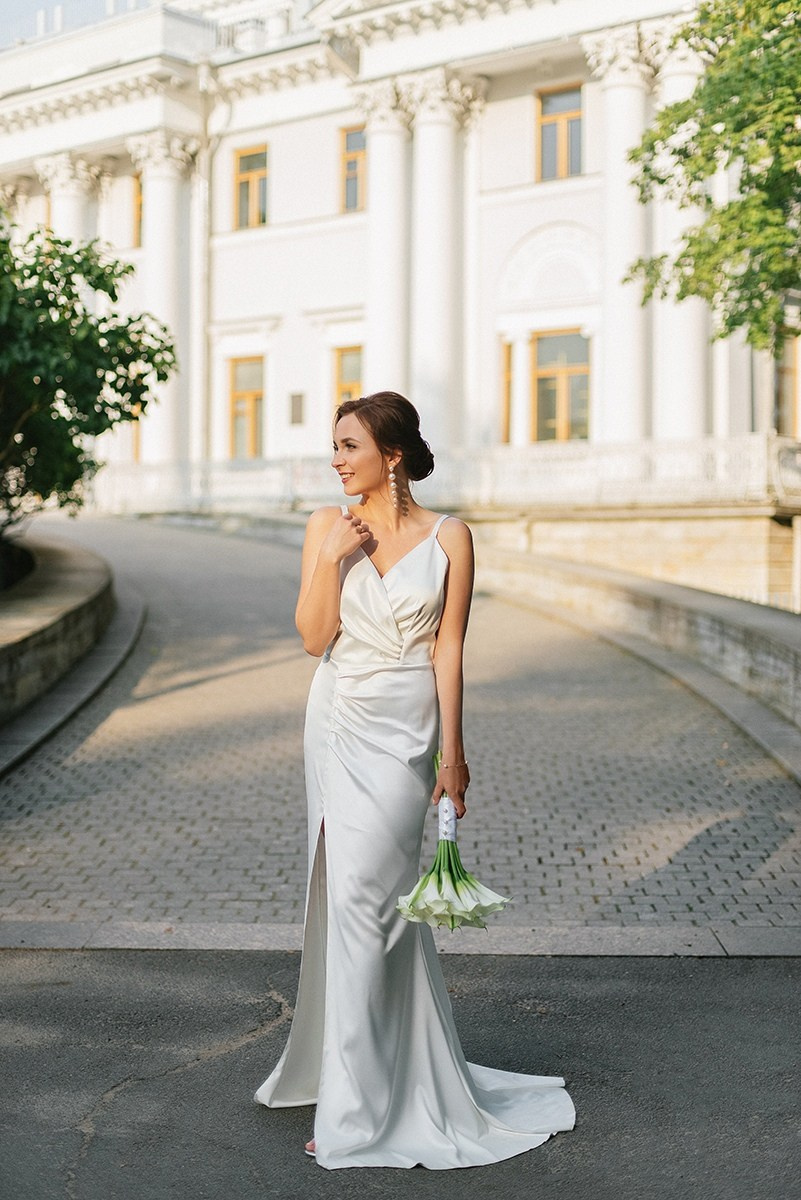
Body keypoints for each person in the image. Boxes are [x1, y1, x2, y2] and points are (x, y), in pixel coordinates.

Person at [254, 391, 575, 1168]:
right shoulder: (324, 529)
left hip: (408, 729)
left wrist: (452, 754)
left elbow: (450, 651)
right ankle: (356, 1112)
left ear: (390, 454)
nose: (335, 458)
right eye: (333, 445)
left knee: (388, 907)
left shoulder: (452, 537)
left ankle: (390, 1078)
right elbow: (309, 639)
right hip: (338, 719)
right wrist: (332, 559)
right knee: (359, 899)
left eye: (348, 445)